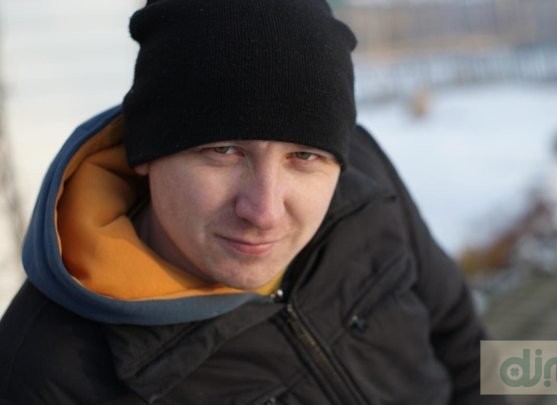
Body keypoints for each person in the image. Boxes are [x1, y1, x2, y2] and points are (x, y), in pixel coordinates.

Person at [0, 1, 506, 403]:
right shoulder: (47, 372)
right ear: (145, 152)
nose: (263, 212)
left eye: (304, 156)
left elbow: (461, 336)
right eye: (223, 151)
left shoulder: (365, 176)